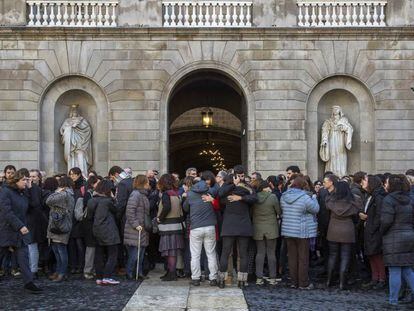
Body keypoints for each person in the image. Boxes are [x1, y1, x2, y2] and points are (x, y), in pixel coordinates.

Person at [0, 169, 42, 293]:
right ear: (16, 180)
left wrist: (30, 188)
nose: (26, 182)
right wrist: (20, 226)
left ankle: (29, 282)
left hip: (19, 231)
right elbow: (7, 212)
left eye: (27, 179)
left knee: (23, 257)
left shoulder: (23, 193)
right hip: (6, 229)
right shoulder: (5, 192)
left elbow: (34, 205)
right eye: (23, 180)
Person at [217, 165, 257, 289]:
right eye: (239, 175)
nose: (240, 178)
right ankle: (239, 281)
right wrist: (239, 192)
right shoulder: (246, 187)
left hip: (230, 225)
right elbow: (254, 198)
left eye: (241, 175)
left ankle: (223, 280)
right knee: (240, 254)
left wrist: (239, 196)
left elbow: (220, 195)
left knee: (227, 253)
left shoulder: (229, 188)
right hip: (242, 224)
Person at [280, 175, 319, 290]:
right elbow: (316, 209)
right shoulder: (305, 197)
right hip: (302, 232)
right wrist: (314, 198)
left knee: (292, 257)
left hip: (288, 230)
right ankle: (303, 283)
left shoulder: (283, 196)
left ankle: (294, 282)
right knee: (303, 258)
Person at [380, 174, 414, 306]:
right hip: (409, 235)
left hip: (393, 237)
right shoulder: (410, 198)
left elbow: (386, 221)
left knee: (394, 270)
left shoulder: (388, 199)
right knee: (407, 269)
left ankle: (393, 300)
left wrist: (382, 232)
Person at [183, 171, 219, 286]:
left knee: (195, 255)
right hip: (210, 226)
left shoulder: (190, 193)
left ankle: (195, 278)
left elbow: (185, 208)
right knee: (211, 253)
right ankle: (213, 278)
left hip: (196, 227)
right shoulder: (211, 191)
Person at [325, 181, 362, 290]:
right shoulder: (355, 200)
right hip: (348, 229)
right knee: (345, 257)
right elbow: (358, 212)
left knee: (332, 255)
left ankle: (329, 281)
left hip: (333, 229)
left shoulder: (330, 199)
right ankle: (342, 283)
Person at [87, 180, 121, 285]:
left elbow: (89, 216)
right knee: (112, 254)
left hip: (96, 230)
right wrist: (114, 198)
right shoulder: (108, 201)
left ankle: (99, 277)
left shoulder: (92, 201)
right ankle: (107, 276)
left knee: (99, 254)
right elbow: (117, 210)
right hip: (109, 230)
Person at [46, 176, 75, 282]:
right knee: (58, 250)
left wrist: (57, 192)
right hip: (61, 225)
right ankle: (59, 272)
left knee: (60, 251)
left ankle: (61, 273)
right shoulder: (69, 194)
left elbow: (48, 201)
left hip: (59, 225)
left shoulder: (63, 194)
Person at [252, 180, 282, 286]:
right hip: (271, 228)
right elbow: (279, 212)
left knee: (260, 253)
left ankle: (259, 278)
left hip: (258, 228)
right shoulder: (272, 197)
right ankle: (273, 278)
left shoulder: (254, 198)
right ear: (266, 187)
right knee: (271, 253)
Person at [360, 175, 387, 289]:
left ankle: (381, 279)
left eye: (365, 180)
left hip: (374, 231)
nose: (362, 182)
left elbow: (379, 215)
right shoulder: (370, 195)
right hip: (369, 229)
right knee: (371, 255)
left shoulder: (378, 196)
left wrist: (370, 222)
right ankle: (375, 278)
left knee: (377, 256)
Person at [156, 174, 185, 282]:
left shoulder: (166, 194)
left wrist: (160, 218)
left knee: (170, 251)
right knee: (172, 250)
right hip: (177, 225)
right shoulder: (176, 194)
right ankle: (170, 271)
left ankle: (172, 274)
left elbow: (167, 207)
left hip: (168, 227)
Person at [124, 175, 151, 280]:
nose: (149, 184)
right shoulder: (136, 195)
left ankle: (138, 273)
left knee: (141, 254)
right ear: (143, 183)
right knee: (135, 254)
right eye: (147, 182)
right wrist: (136, 225)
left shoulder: (143, 195)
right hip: (136, 230)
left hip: (142, 229)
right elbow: (130, 211)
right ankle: (130, 272)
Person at [81, 175, 100, 280]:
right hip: (89, 225)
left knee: (94, 249)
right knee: (90, 248)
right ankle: (88, 270)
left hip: (93, 224)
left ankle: (92, 269)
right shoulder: (89, 194)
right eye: (98, 182)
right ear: (93, 183)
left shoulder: (94, 194)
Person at [68, 167, 86, 274]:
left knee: (79, 245)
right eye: (71, 174)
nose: (72, 176)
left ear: (79, 174)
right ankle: (73, 265)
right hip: (71, 220)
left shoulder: (83, 186)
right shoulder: (70, 186)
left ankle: (81, 265)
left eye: (74, 174)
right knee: (71, 245)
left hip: (79, 220)